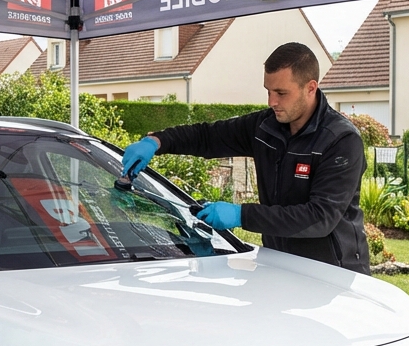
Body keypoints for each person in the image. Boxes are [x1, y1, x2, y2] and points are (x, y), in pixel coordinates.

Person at [121, 42, 370, 274]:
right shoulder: (265, 127)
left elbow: (320, 217)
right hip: (278, 264)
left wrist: (241, 215)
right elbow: (207, 136)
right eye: (268, 91)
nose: (272, 101)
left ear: (311, 88)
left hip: (332, 272)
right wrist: (157, 141)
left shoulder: (340, 140)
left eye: (281, 93)